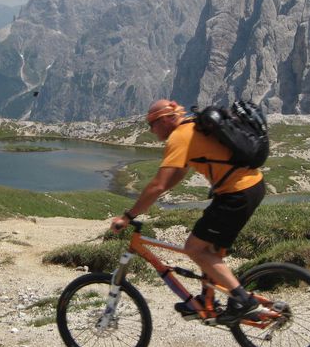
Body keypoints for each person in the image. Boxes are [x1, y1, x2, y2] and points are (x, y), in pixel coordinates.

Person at [110, 99, 266, 324]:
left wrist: (128, 216)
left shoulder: (179, 137)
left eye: (152, 124)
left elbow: (158, 185)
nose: (151, 130)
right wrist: (156, 196)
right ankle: (206, 300)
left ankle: (243, 299)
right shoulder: (191, 127)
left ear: (164, 120)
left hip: (237, 193)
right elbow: (177, 174)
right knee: (209, 247)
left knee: (193, 248)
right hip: (246, 188)